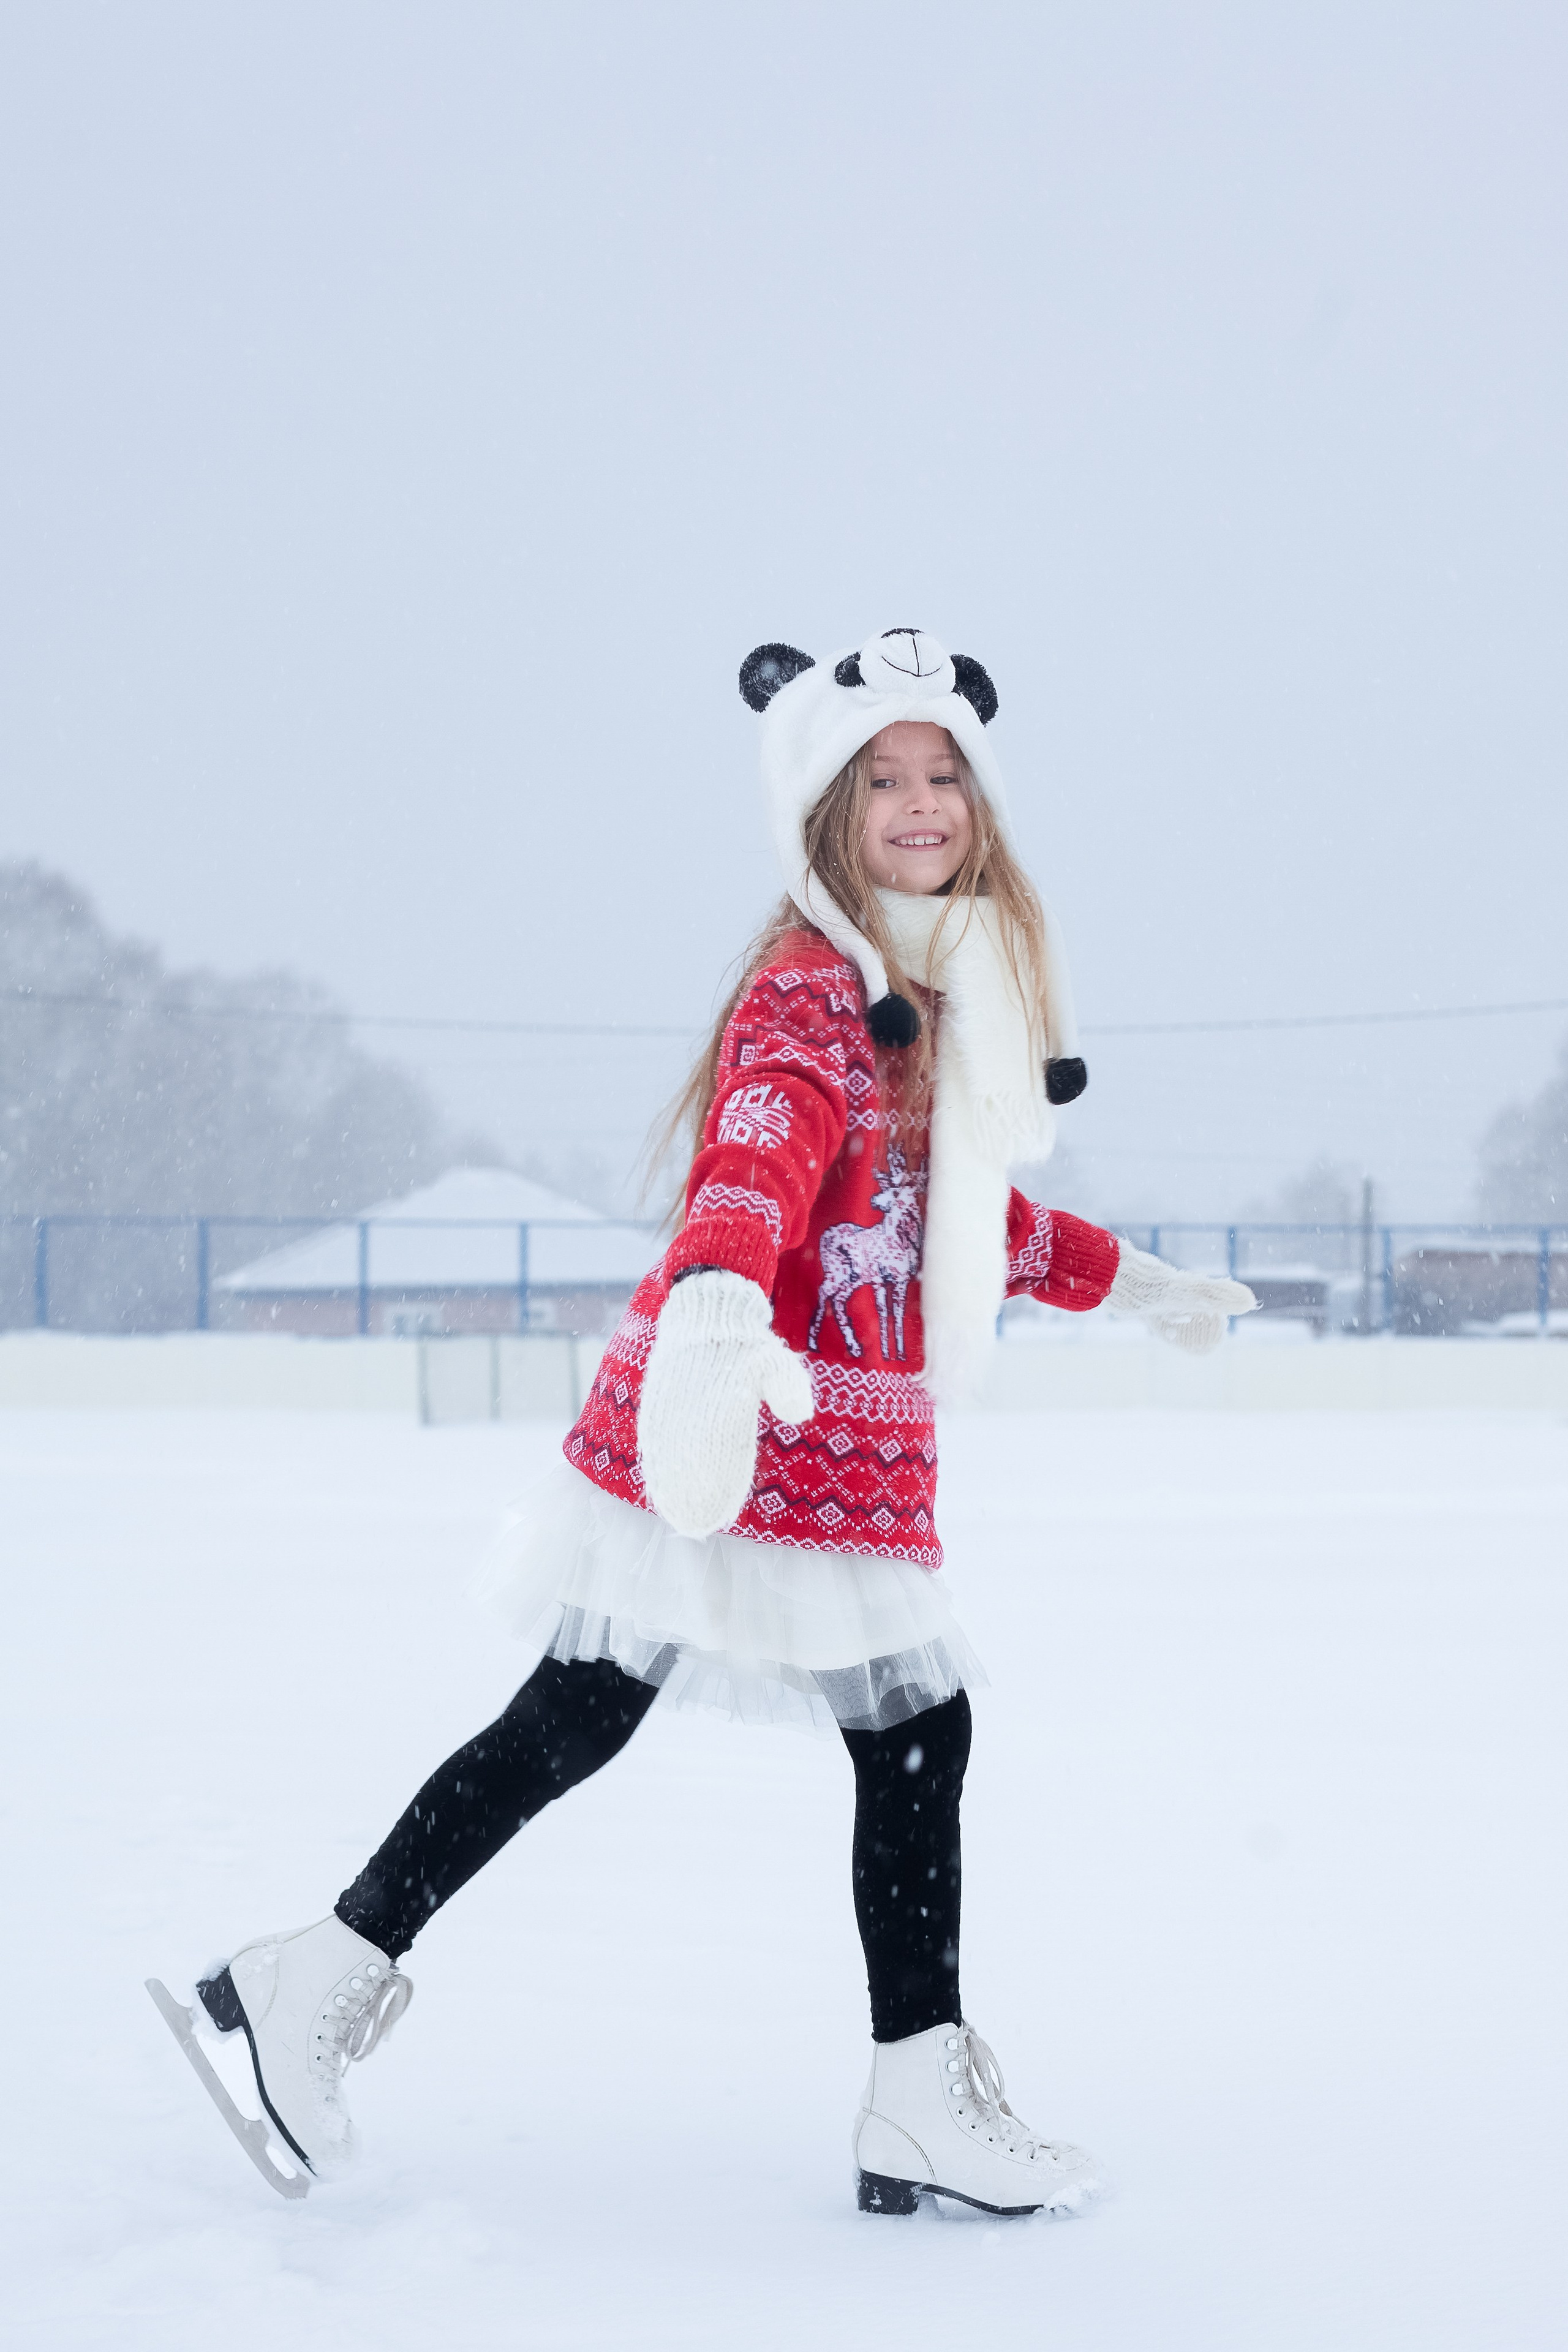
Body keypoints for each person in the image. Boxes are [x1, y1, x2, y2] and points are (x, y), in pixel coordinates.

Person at [151, 625, 1255, 2217]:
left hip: (835, 1443)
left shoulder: (930, 994)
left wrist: (1129, 1280)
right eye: (882, 777)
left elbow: (953, 1219)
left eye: (945, 774)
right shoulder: (821, 993)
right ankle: (910, 2091)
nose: (920, 801)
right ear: (826, 808)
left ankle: (313, 1975)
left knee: (613, 1716)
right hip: (752, 1425)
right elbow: (756, 1155)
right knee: (884, 1733)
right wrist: (727, 1302)